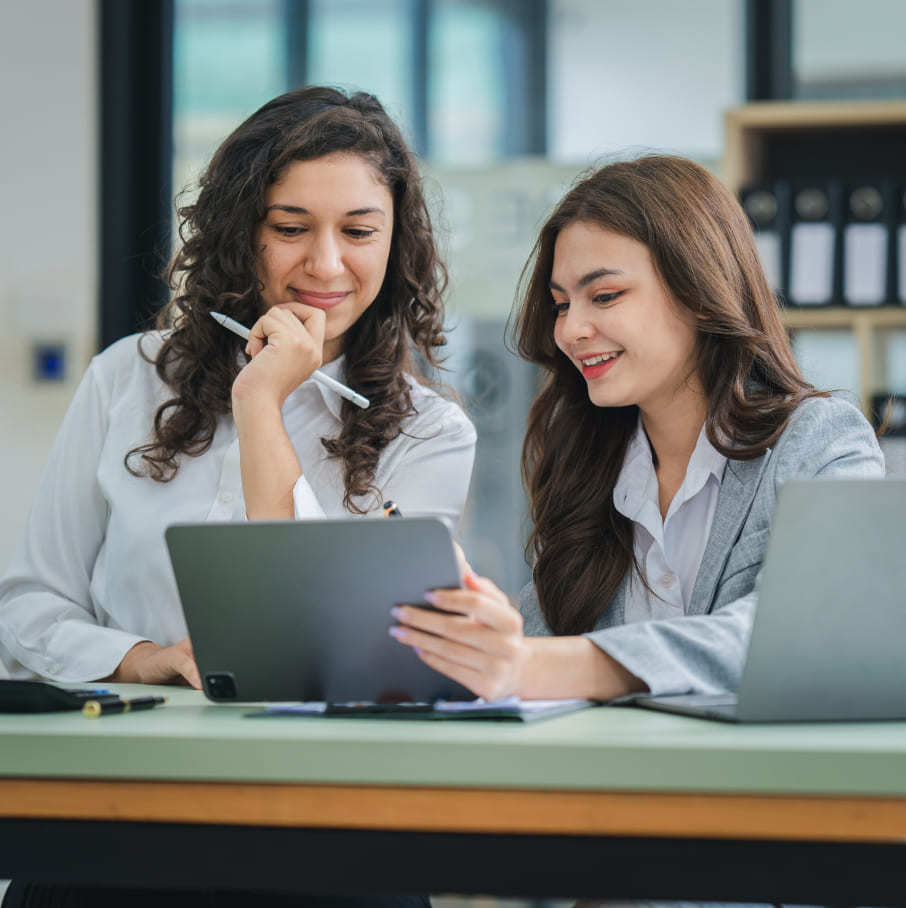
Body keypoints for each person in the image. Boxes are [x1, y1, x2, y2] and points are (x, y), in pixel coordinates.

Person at [0, 85, 476, 694]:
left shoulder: (430, 434)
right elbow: (29, 605)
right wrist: (141, 658)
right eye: (290, 227)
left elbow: (328, 640)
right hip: (124, 755)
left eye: (358, 232)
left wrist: (260, 402)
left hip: (323, 768)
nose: (326, 264)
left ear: (393, 243)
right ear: (239, 232)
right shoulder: (127, 378)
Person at [389, 153, 885, 710]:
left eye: (605, 296)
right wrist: (479, 634)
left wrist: (539, 662)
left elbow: (796, 632)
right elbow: (532, 657)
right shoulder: (588, 465)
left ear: (699, 292)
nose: (571, 330)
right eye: (560, 304)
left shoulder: (821, 442)